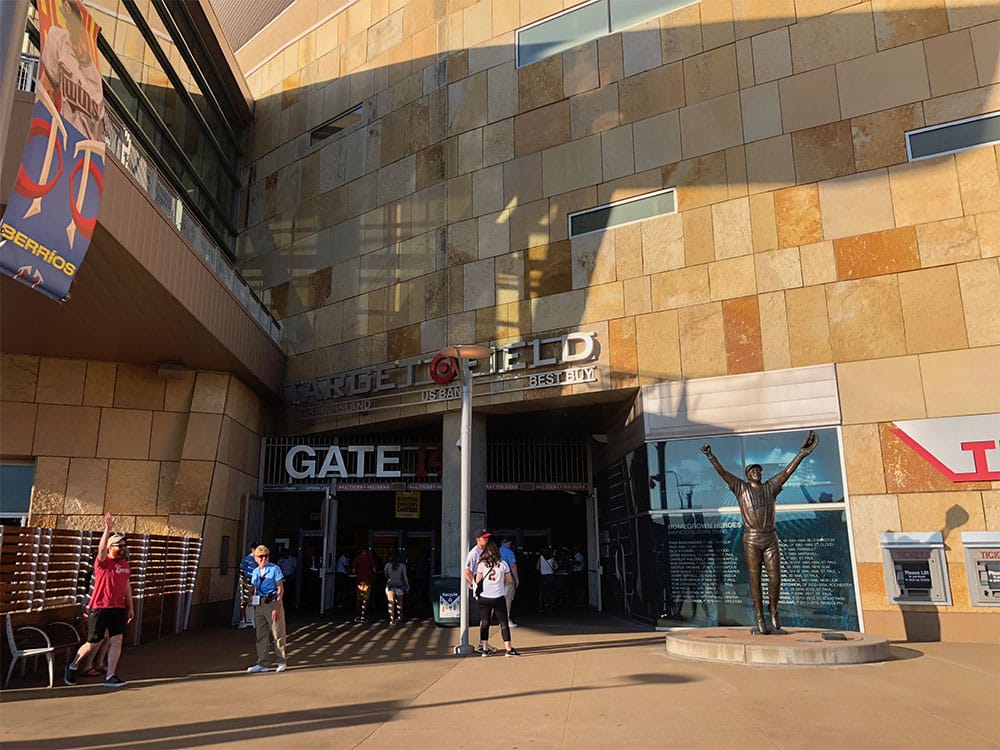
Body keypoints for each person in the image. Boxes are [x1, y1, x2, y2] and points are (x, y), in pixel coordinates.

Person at [701, 430, 818, 635]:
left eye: (759, 470)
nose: (757, 473)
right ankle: (758, 616)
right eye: (753, 471)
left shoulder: (770, 487)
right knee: (755, 579)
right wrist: (711, 456)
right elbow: (723, 473)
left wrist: (801, 454)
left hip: (770, 537)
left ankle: (773, 610)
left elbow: (786, 473)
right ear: (747, 475)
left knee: (775, 578)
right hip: (752, 538)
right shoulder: (740, 488)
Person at [64, 513, 133, 687]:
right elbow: (101, 550)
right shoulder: (102, 563)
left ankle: (111, 676)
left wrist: (130, 606)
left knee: (116, 640)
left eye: (124, 546)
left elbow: (126, 586)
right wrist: (107, 529)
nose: (122, 549)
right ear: (110, 547)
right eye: (119, 545)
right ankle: (73, 665)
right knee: (94, 641)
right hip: (100, 607)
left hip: (117, 608)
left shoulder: (125, 565)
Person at [40, 0, 104, 142]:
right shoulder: (59, 39)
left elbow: (99, 136)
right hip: (62, 136)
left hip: (83, 148)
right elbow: (47, 88)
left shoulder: (95, 78)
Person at [247, 545, 287, 673]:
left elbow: (280, 589)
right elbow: (254, 588)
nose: (264, 559)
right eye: (261, 556)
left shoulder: (275, 569)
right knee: (261, 634)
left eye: (266, 556)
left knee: (277, 633)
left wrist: (277, 606)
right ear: (256, 558)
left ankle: (281, 661)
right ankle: (262, 662)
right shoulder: (255, 572)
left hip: (272, 602)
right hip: (260, 602)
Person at [475, 541, 519, 657]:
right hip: (498, 596)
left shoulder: (482, 564)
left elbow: (478, 580)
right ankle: (508, 648)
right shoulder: (503, 564)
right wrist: (500, 583)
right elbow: (509, 580)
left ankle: (484, 649)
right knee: (503, 623)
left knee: (485, 622)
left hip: (484, 596)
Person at [464, 529, 492, 651]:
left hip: (489, 585)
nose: (486, 539)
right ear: (478, 539)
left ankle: (483, 642)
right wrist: (474, 585)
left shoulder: (487, 550)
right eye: (483, 537)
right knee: (485, 616)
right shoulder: (474, 553)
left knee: (487, 615)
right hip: (480, 585)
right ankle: (482, 643)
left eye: (487, 537)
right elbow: (467, 571)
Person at [352, 547, 376, 623]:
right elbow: (374, 570)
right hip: (368, 581)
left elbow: (354, 570)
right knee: (365, 599)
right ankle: (363, 616)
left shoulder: (357, 559)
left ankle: (357, 615)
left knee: (359, 599)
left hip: (359, 581)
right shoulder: (370, 559)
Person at [384, 551, 409, 624]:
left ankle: (391, 619)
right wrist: (407, 585)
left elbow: (386, 575)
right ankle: (399, 616)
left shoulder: (387, 565)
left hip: (390, 585)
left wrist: (389, 578)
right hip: (399, 585)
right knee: (400, 602)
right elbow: (404, 576)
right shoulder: (402, 565)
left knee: (391, 602)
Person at [499, 538, 520, 628]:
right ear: (509, 543)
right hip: (507, 577)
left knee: (497, 598)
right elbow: (513, 566)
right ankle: (506, 619)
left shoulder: (496, 551)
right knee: (508, 598)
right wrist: (516, 578)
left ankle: (492, 619)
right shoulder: (509, 552)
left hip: (497, 577)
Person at [237, 543, 258, 629]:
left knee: (256, 601)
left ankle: (254, 620)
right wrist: (245, 579)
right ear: (252, 549)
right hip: (247, 582)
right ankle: (242, 620)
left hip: (256, 582)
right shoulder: (247, 559)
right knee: (245, 601)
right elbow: (241, 569)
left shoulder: (258, 559)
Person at [537, 547, 558, 612]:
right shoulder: (552, 558)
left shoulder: (541, 557)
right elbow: (556, 566)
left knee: (544, 591)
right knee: (551, 590)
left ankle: (545, 603)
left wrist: (542, 569)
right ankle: (551, 602)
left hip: (543, 576)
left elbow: (537, 567)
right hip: (551, 575)